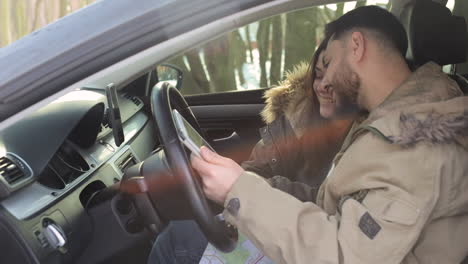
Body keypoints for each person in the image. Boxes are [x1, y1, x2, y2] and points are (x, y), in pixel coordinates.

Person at [191, 5, 468, 263]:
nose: (323, 83)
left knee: (179, 243)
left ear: (356, 46)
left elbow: (343, 255)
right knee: (188, 234)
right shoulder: (389, 118)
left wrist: (239, 192)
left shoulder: (418, 145)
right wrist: (254, 185)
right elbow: (336, 204)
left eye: (328, 61)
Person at [149, 38, 356, 263]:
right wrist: (236, 184)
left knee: (175, 241)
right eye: (318, 73)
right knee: (183, 230)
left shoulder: (369, 143)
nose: (323, 85)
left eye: (335, 77)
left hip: (309, 240)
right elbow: (257, 168)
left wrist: (250, 190)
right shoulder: (297, 114)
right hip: (277, 220)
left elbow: (327, 210)